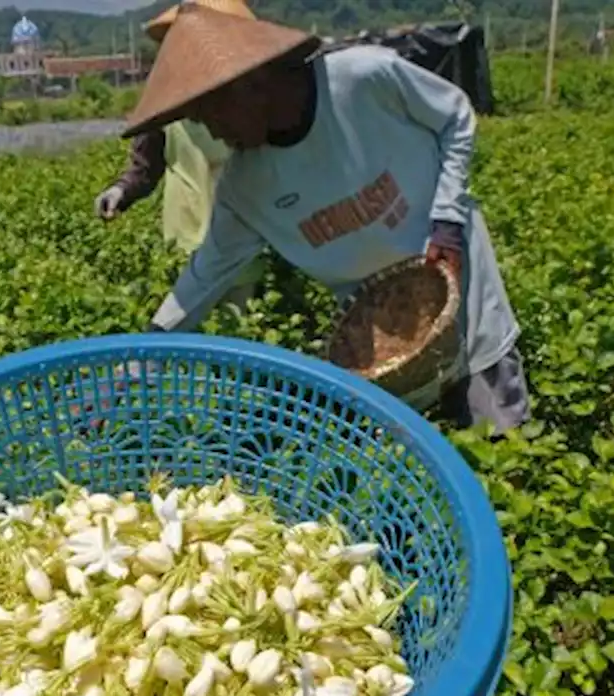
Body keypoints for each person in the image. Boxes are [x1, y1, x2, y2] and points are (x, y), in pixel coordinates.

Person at [122, 5, 531, 433]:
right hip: (380, 333)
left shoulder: (362, 80)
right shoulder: (245, 184)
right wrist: (138, 360)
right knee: (410, 453)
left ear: (251, 83)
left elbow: (455, 117)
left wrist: (446, 220)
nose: (211, 132)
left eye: (212, 114)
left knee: (494, 430)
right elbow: (204, 275)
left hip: (455, 282)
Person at [94, 0, 266, 315]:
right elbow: (146, 163)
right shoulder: (166, 94)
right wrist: (121, 190)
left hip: (242, 237)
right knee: (186, 332)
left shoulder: (254, 93)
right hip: (183, 237)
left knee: (238, 335)